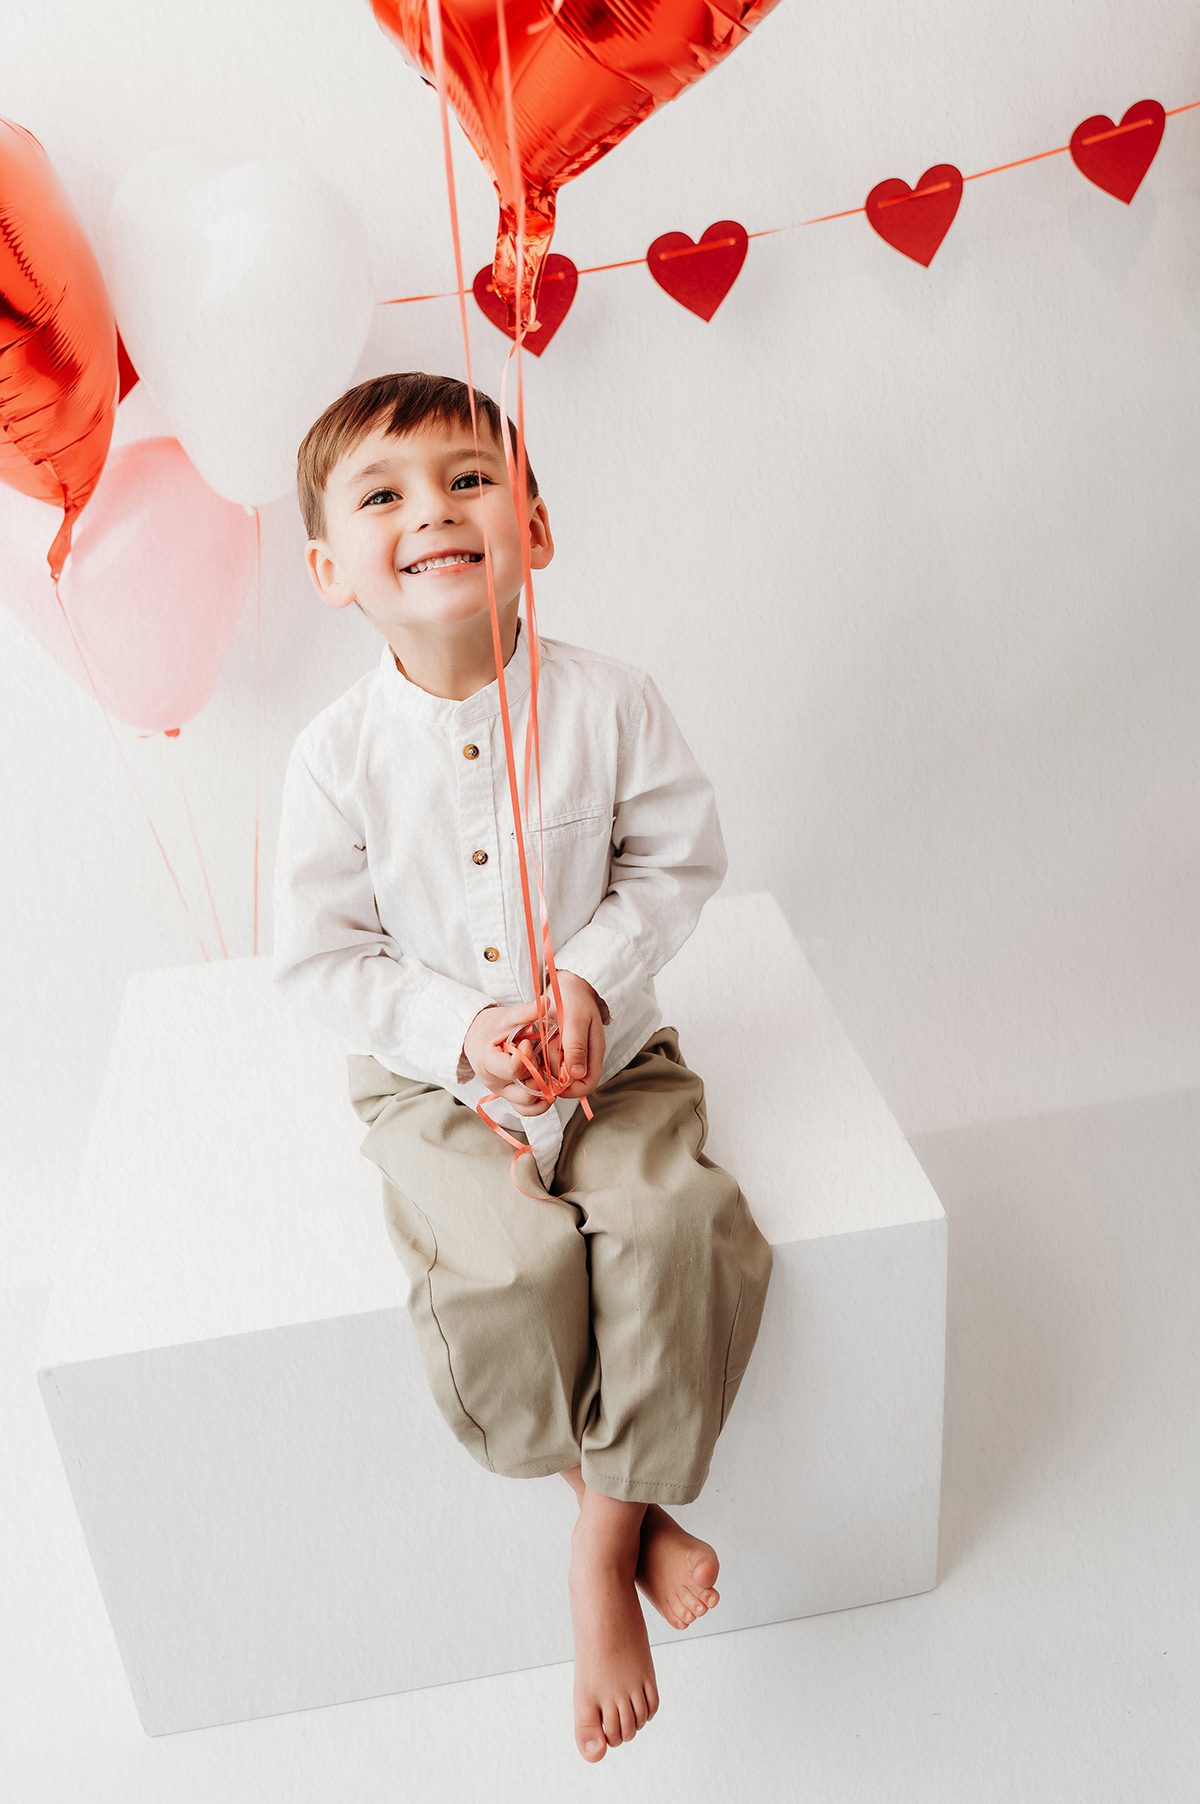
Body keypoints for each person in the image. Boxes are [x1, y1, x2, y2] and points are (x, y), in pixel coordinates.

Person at [271, 369, 773, 1761]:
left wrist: (592, 979)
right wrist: (454, 1030)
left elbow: (678, 860)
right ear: (330, 568)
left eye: (468, 480)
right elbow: (321, 958)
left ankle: (601, 1540)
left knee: (679, 1225)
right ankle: (620, 1508)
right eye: (385, 495)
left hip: (612, 1058)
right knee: (510, 1267)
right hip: (436, 1087)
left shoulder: (612, 703)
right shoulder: (331, 759)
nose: (433, 510)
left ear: (534, 529)